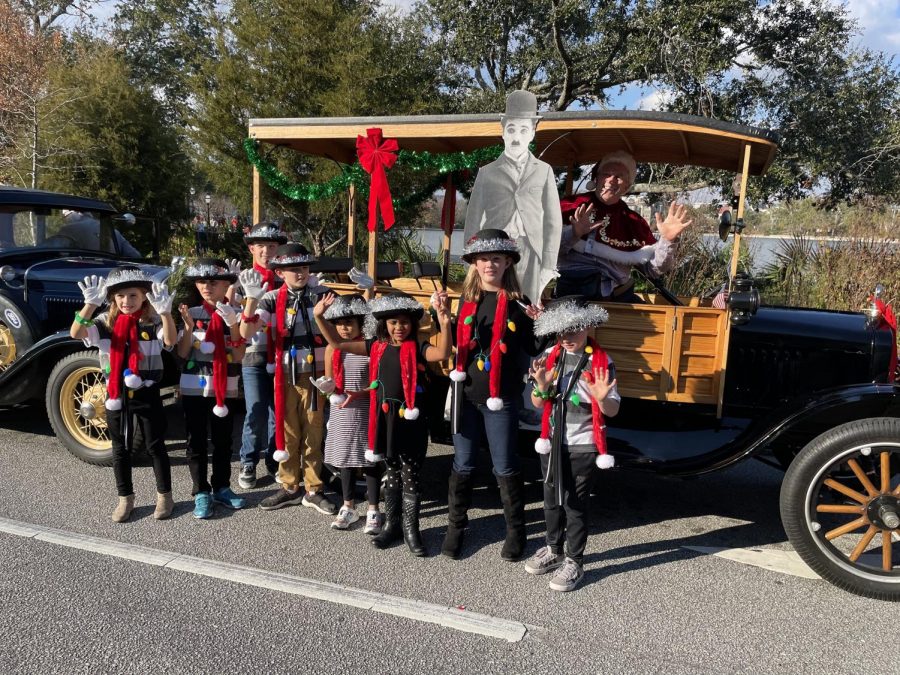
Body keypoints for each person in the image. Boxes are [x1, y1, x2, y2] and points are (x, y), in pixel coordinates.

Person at [314, 291, 452, 556]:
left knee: (410, 476)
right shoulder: (375, 346)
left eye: (404, 322)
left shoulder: (419, 347)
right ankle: (392, 525)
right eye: (392, 323)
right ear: (383, 324)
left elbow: (444, 351)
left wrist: (444, 322)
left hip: (410, 422)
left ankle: (412, 530)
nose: (399, 328)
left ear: (412, 325)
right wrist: (320, 317)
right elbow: (336, 343)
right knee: (391, 475)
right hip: (384, 421)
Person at [442, 229, 545, 562]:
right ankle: (456, 528)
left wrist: (542, 326)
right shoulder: (465, 301)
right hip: (465, 394)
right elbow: (458, 346)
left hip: (501, 397)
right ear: (474, 263)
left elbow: (533, 349)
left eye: (496, 259)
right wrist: (442, 318)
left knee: (504, 465)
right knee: (463, 463)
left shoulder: (520, 303)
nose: (490, 264)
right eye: (484, 259)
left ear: (507, 263)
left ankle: (516, 532)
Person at [525, 296, 620, 592]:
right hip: (552, 444)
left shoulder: (601, 363)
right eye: (561, 331)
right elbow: (538, 404)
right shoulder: (549, 356)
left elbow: (613, 410)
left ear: (588, 326)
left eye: (574, 330)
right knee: (551, 497)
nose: (566, 338)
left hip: (583, 445)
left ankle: (575, 561)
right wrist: (541, 387)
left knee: (575, 505)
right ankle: (553, 549)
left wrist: (602, 397)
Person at [71, 267, 177, 522]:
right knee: (120, 448)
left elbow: (171, 340)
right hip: (115, 394)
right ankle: (125, 498)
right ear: (112, 298)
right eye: (120, 296)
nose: (126, 302)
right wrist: (89, 305)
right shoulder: (104, 322)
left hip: (147, 391)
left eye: (132, 295)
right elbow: (76, 333)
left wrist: (165, 314)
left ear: (143, 296)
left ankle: (165, 496)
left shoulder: (151, 322)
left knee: (155, 445)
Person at [239, 243, 337, 516]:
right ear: (280, 272)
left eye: (304, 268)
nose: (301, 273)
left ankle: (314, 489)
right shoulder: (270, 298)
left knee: (314, 431)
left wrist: (366, 293)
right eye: (294, 269)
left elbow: (348, 323)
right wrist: (250, 300)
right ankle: (290, 486)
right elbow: (247, 332)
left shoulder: (323, 295)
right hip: (284, 375)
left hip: (317, 375)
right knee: (288, 432)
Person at [464, 90, 562, 303]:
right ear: (503, 131)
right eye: (512, 129)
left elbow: (553, 221)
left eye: (524, 129)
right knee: (492, 303)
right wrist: (471, 260)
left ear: (532, 133)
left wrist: (548, 264)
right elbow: (473, 218)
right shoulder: (487, 172)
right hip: (495, 253)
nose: (517, 137)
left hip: (530, 251)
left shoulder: (544, 170)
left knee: (527, 308)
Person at [556, 151, 693, 301]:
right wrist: (574, 234)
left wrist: (667, 241)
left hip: (619, 297)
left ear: (627, 186)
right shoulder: (570, 206)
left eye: (619, 176)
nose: (611, 180)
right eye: (606, 174)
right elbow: (549, 253)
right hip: (574, 296)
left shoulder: (633, 221)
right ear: (596, 178)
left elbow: (653, 270)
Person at [177, 258, 247, 519]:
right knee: (195, 442)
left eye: (214, 281)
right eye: (202, 281)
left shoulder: (233, 314)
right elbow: (183, 353)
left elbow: (239, 356)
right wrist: (185, 327)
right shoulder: (190, 313)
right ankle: (200, 491)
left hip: (224, 389)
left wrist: (232, 324)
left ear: (226, 284)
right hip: (194, 387)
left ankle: (221, 487)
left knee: (223, 441)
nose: (207, 286)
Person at [312, 293, 383, 533]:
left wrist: (359, 393)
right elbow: (331, 380)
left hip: (365, 409)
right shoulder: (334, 349)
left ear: (362, 323)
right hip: (342, 409)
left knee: (370, 459)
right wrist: (327, 388)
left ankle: (374, 509)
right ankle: (348, 506)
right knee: (345, 461)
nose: (343, 328)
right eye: (339, 323)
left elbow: (377, 383)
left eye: (349, 323)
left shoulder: (369, 346)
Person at [234, 223, 288, 489]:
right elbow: (234, 319)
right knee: (255, 411)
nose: (267, 251)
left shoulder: (286, 278)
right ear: (251, 248)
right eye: (262, 246)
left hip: (280, 355)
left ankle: (273, 459)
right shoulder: (242, 280)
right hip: (254, 354)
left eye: (273, 246)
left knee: (278, 411)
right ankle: (248, 460)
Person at [59, 210, 141, 257]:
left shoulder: (67, 230)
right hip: (109, 274)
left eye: (65, 216)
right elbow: (135, 255)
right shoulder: (113, 232)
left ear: (73, 213)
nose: (65, 220)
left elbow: (60, 253)